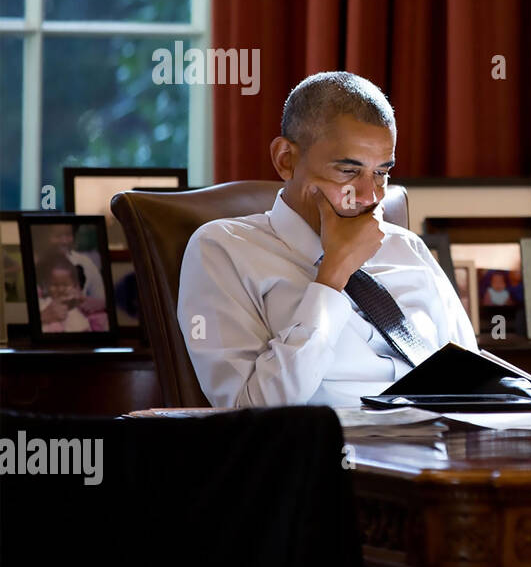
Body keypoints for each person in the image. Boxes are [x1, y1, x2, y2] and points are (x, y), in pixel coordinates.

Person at [177, 71, 477, 407]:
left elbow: (474, 385)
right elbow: (250, 412)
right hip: (320, 451)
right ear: (285, 160)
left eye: (381, 173)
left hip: (436, 446)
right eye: (348, 171)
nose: (369, 196)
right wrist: (332, 278)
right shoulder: (221, 250)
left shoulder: (408, 249)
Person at [36, 251, 109, 332]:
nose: (60, 289)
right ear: (47, 285)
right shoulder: (44, 303)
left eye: (65, 285)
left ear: (75, 285)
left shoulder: (79, 301)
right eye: (55, 285)